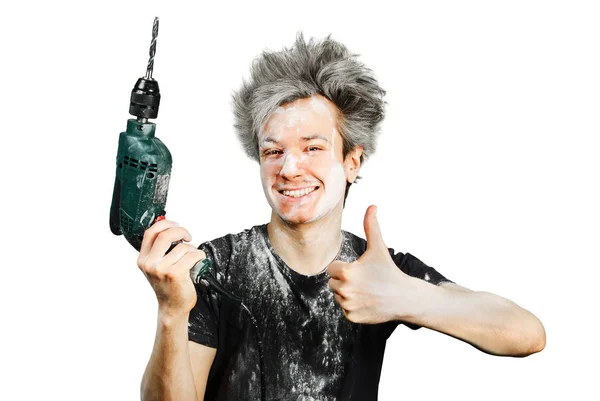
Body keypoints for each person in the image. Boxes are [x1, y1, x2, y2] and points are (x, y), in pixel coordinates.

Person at [136, 34, 546, 401]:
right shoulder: (216, 270)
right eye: (273, 151)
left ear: (352, 161)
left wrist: (404, 297)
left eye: (313, 148)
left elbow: (525, 333)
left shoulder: (378, 272)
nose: (290, 168)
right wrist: (172, 312)